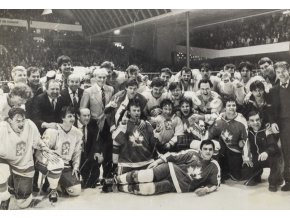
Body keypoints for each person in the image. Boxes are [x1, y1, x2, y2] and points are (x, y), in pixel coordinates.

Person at [107, 140, 220, 196]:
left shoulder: (214, 166)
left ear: (213, 151)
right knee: (145, 176)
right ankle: (115, 180)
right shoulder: (192, 153)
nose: (208, 152)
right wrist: (159, 160)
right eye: (205, 149)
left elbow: (215, 184)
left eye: (210, 149)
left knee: (147, 190)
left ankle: (118, 188)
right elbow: (174, 156)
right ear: (200, 150)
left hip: (177, 186)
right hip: (170, 170)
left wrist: (206, 190)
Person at [0, 108, 62, 209]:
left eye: (23, 120)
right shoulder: (2, 128)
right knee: (1, 168)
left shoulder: (29, 125)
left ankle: (14, 186)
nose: (21, 123)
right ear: (10, 121)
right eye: (18, 121)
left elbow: (37, 141)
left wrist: (45, 148)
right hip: (4, 160)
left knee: (23, 203)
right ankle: (4, 195)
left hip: (23, 164)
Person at [41, 106, 83, 197]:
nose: (72, 118)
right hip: (52, 164)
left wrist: (75, 166)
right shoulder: (52, 131)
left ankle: (58, 184)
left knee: (76, 191)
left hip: (65, 165)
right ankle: (51, 184)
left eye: (73, 116)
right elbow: (43, 149)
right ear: (63, 118)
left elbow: (77, 152)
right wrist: (51, 158)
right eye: (69, 116)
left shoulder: (78, 133)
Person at [80, 68, 114, 179]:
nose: (102, 79)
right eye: (99, 77)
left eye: (104, 77)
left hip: (108, 123)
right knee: (95, 150)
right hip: (94, 124)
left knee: (108, 150)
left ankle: (107, 177)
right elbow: (83, 109)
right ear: (95, 78)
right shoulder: (88, 91)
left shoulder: (111, 89)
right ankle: (92, 178)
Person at [111, 99, 159, 176]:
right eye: (134, 110)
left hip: (145, 162)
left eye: (138, 110)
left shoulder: (146, 124)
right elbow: (117, 139)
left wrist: (157, 132)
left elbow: (153, 143)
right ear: (128, 112)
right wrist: (123, 125)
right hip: (127, 164)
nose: (137, 113)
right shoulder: (123, 124)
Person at [208, 98, 250, 181]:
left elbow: (247, 139)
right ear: (224, 108)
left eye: (233, 105)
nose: (231, 107)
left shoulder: (241, 120)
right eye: (229, 105)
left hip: (235, 150)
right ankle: (221, 170)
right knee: (215, 143)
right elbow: (210, 134)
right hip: (223, 149)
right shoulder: (219, 119)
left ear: (236, 107)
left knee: (237, 177)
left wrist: (246, 157)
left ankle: (231, 170)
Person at [243, 111, 283, 192]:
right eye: (252, 120)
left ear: (260, 120)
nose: (255, 122)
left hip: (269, 157)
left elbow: (273, 146)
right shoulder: (248, 132)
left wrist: (266, 152)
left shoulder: (266, 130)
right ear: (248, 122)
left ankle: (274, 180)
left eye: (257, 120)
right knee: (245, 173)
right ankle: (256, 176)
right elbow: (245, 145)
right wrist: (245, 156)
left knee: (275, 158)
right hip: (257, 158)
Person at [268, 61, 290, 191]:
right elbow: (271, 110)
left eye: (283, 71)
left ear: (288, 70)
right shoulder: (273, 90)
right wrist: (273, 122)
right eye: (278, 72)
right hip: (283, 124)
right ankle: (288, 180)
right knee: (287, 153)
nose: (281, 74)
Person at [77, 108, 103, 189]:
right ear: (78, 116)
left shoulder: (92, 124)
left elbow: (97, 141)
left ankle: (89, 179)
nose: (87, 118)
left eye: (89, 115)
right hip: (75, 156)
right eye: (84, 116)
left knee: (91, 184)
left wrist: (97, 152)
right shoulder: (73, 125)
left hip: (87, 156)